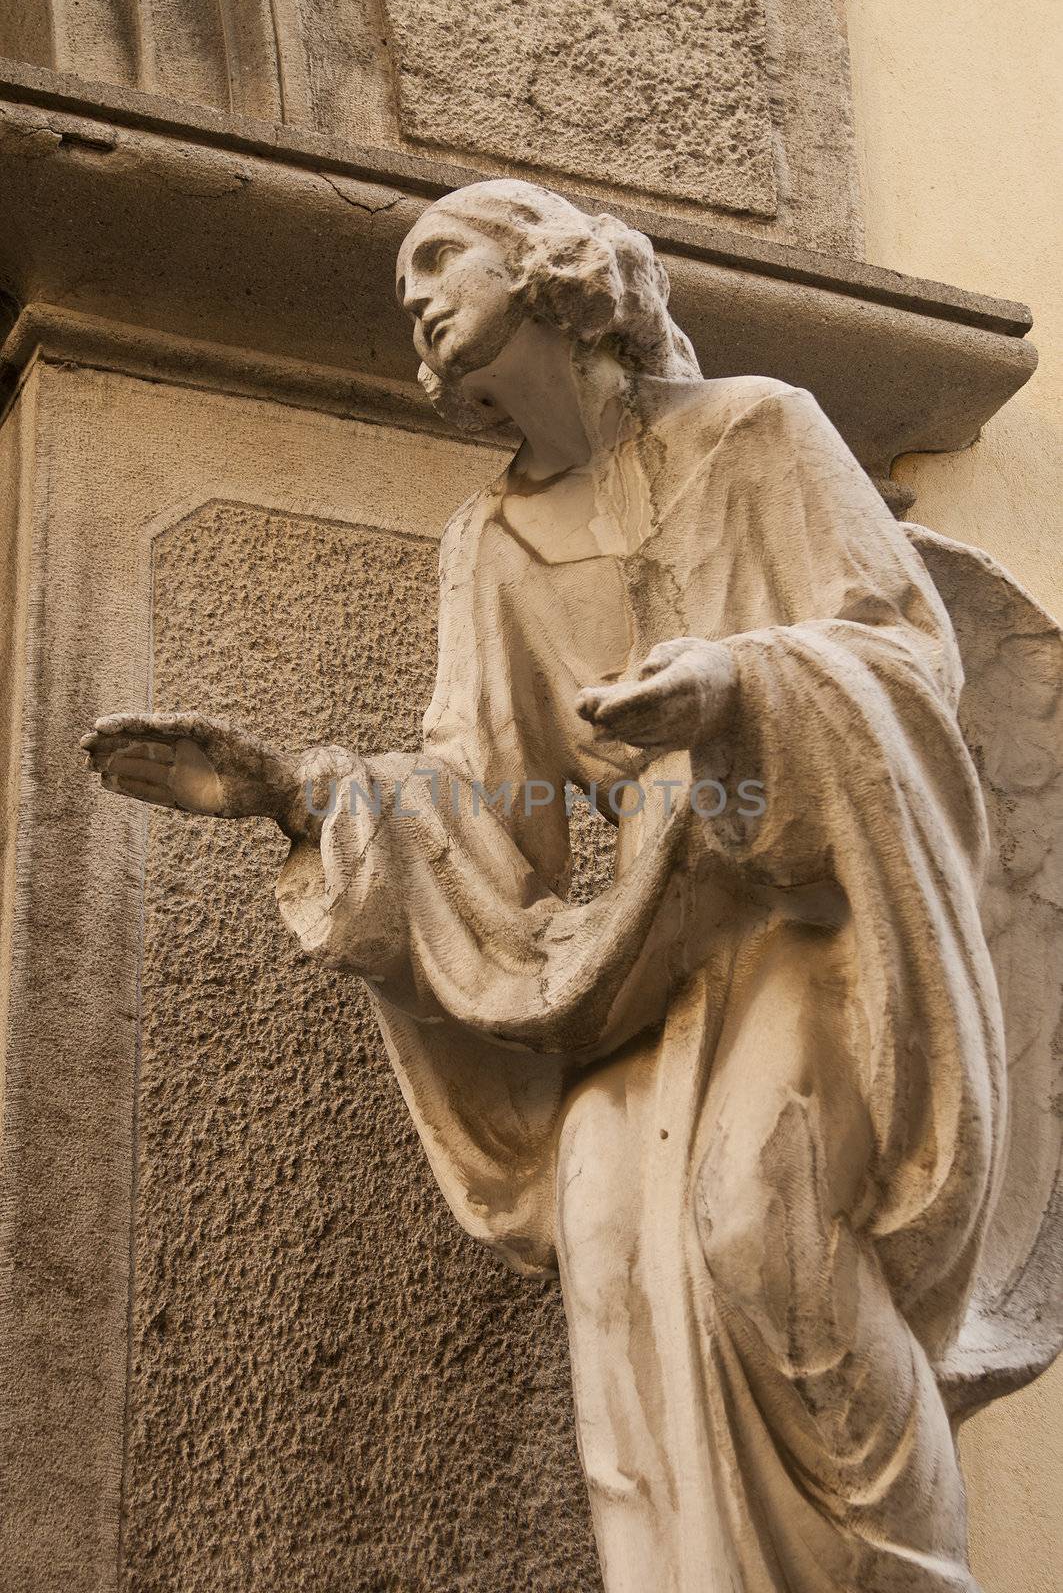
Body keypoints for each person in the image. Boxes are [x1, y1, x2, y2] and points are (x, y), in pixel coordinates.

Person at [83, 180, 1062, 1592]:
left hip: (806, 924)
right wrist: (298, 794)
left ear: (547, 265)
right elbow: (490, 808)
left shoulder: (765, 431)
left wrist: (737, 682)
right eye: (403, 282)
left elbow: (907, 654)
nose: (413, 294)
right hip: (638, 964)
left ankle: (902, 1573)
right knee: (607, 1263)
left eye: (440, 257)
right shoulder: (488, 548)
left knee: (757, 1222)